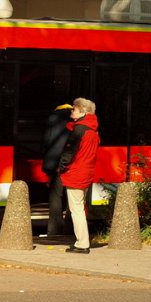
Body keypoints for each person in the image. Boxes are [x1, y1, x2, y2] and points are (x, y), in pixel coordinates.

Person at [57, 98, 100, 254]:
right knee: (80, 207)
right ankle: (82, 241)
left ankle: (82, 243)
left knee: (76, 209)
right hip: (87, 171)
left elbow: (69, 152)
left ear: (83, 111)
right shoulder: (92, 129)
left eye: (74, 109)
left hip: (76, 172)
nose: (71, 111)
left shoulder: (79, 129)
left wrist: (62, 167)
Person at [42, 103, 73, 236]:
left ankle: (54, 230)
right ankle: (69, 229)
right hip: (72, 163)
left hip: (55, 163)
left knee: (55, 196)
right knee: (72, 197)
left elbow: (46, 141)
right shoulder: (76, 119)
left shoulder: (53, 118)